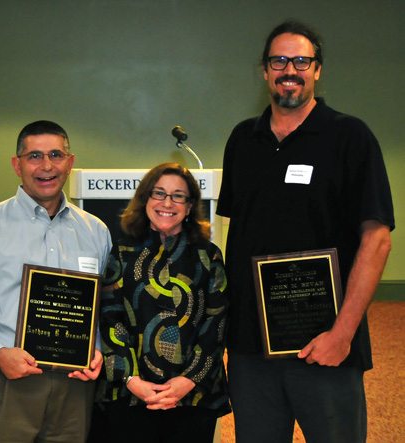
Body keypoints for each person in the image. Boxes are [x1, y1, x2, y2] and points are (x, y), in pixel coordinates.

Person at [217, 21, 394, 443]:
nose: (289, 69)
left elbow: (377, 237)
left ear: (317, 70)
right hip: (251, 348)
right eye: (279, 60)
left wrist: (343, 333)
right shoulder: (243, 139)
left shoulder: (350, 137)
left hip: (325, 342)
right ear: (264, 71)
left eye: (301, 60)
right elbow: (237, 235)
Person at [0, 120, 112, 442]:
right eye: (34, 156)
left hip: (72, 385)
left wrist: (97, 348)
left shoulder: (95, 231)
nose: (46, 166)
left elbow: (101, 305)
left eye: (56, 155)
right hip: (0, 377)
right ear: (17, 165)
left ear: (70, 162)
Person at [96, 163, 230, 443]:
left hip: (192, 396)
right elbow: (111, 317)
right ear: (145, 199)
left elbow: (216, 323)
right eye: (159, 193)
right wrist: (132, 380)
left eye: (178, 195)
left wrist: (187, 381)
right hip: (131, 394)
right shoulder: (122, 251)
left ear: (190, 205)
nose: (167, 203)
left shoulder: (209, 256)